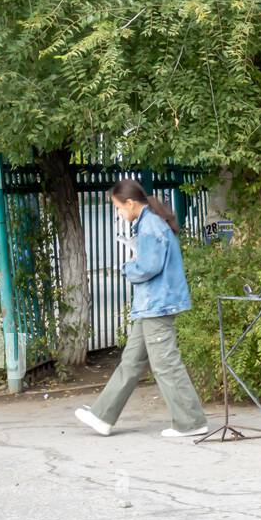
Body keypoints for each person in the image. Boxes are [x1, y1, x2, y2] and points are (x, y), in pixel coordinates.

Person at [74, 179, 208, 438]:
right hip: (151, 305)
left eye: (118, 208)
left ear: (131, 203)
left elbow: (148, 267)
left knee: (166, 364)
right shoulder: (150, 221)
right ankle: (102, 417)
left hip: (157, 305)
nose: (118, 213)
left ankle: (191, 422)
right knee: (131, 362)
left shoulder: (149, 225)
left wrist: (127, 268)